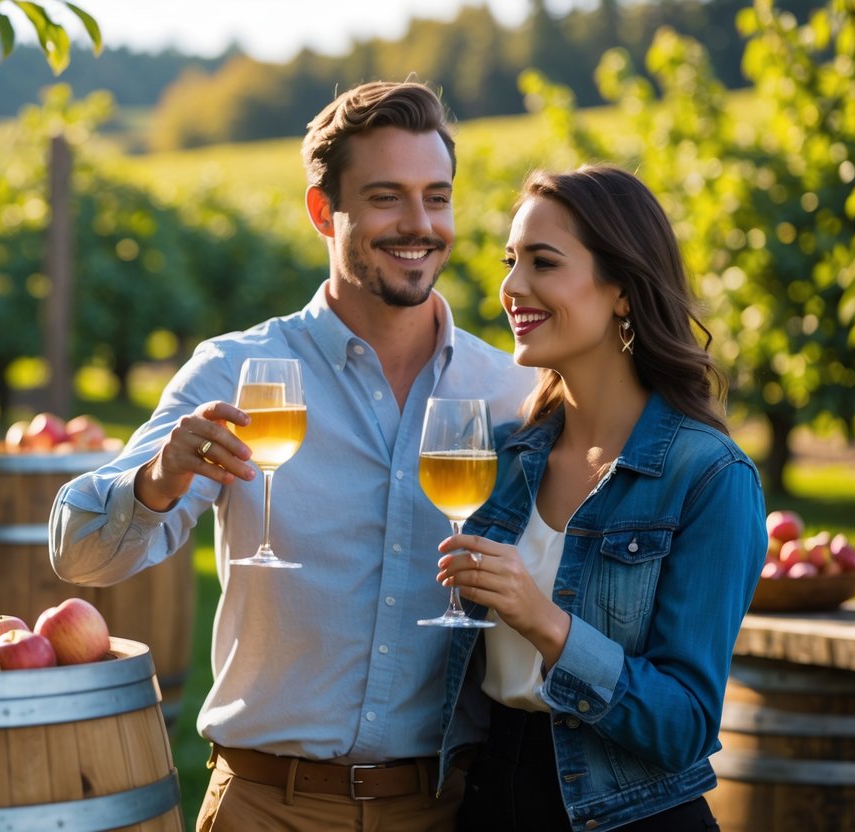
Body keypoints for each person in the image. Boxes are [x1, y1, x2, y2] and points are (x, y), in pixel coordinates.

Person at [49, 79, 535, 830]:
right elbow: (79, 554)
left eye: (435, 197)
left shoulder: (508, 391)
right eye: (384, 198)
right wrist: (157, 478)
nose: (418, 224)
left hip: (449, 808)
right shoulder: (232, 373)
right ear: (322, 211)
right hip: (265, 807)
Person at [433, 165, 766, 832]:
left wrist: (545, 623)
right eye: (510, 261)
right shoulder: (504, 458)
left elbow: (686, 725)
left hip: (627, 818)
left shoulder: (707, 477)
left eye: (542, 262)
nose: (510, 287)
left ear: (621, 291)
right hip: (489, 799)